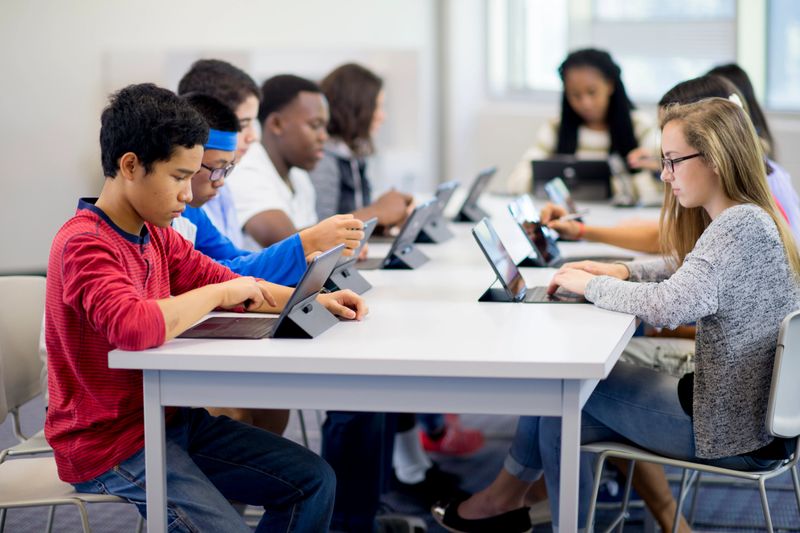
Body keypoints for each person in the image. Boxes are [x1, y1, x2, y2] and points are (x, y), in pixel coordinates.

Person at [433, 97, 800, 532]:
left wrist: (589, 285)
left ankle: (523, 508)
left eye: (672, 162)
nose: (665, 176)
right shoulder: (749, 218)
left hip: (729, 429)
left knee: (561, 399)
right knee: (562, 398)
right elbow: (687, 269)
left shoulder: (737, 225)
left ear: (714, 159)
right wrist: (620, 271)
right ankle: (511, 504)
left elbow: (671, 305)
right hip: (749, 419)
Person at [44, 83, 368, 532]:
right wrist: (219, 296)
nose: (188, 195)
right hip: (110, 443)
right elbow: (134, 327)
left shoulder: (156, 233)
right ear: (131, 166)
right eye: (178, 177)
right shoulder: (84, 244)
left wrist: (312, 300)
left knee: (313, 480)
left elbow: (233, 281)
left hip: (169, 419)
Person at [503, 48, 660, 205]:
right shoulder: (555, 128)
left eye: (592, 92)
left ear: (610, 85)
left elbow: (657, 189)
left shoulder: (640, 126)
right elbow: (516, 182)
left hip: (623, 224)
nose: (585, 103)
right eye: (575, 95)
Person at [227, 74, 349, 250]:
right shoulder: (245, 168)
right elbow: (289, 244)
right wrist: (374, 214)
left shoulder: (298, 174)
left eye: (325, 127)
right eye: (315, 125)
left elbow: (314, 245)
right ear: (276, 124)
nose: (324, 136)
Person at [311, 62, 413, 232]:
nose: (382, 116)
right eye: (377, 106)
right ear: (354, 107)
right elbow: (320, 230)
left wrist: (386, 216)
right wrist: (377, 211)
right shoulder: (322, 160)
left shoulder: (353, 154)